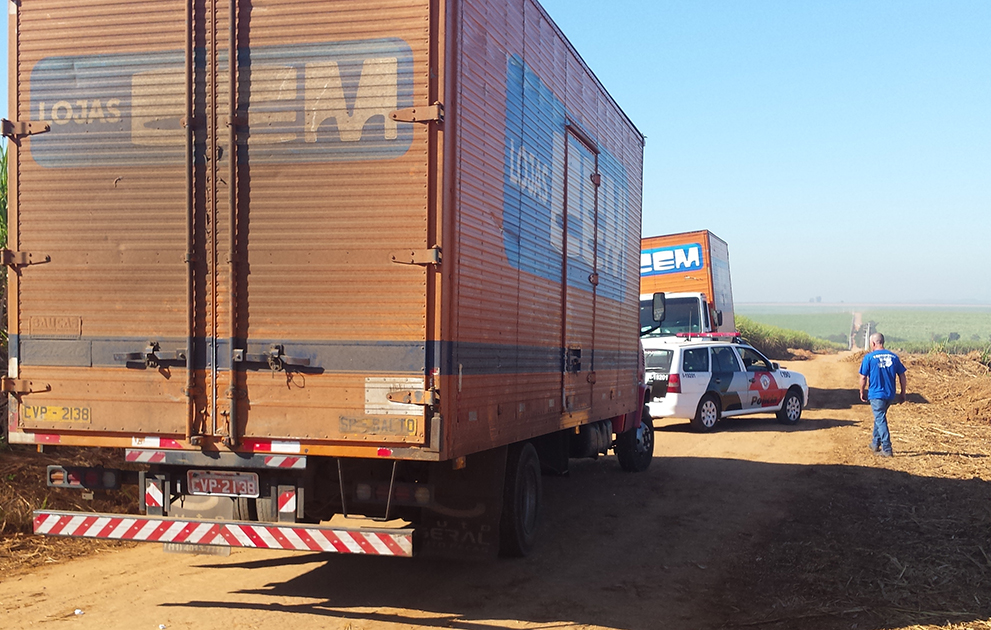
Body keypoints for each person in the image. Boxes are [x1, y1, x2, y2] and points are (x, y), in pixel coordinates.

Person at [859, 332, 907, 457]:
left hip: (876, 394)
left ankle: (887, 447)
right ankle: (875, 443)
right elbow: (902, 375)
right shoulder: (894, 357)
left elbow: (863, 377)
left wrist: (862, 391)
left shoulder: (869, 358)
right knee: (879, 417)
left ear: (873, 343)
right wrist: (903, 392)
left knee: (880, 419)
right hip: (889, 394)